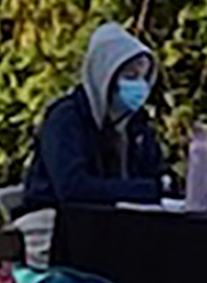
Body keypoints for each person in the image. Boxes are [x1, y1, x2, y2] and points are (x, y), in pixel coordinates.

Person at [27, 24, 171, 210]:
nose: (139, 85)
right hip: (56, 220)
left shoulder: (136, 123)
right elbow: (73, 188)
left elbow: (157, 172)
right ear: (105, 76)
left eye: (143, 77)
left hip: (116, 221)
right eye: (130, 76)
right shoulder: (65, 119)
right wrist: (148, 190)